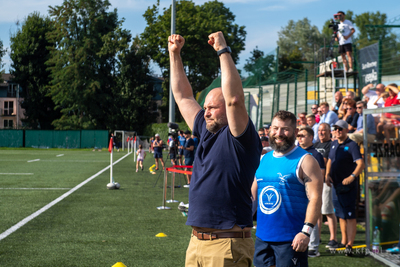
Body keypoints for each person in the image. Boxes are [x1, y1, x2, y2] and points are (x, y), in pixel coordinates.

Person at [169, 32, 262, 266]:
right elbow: (182, 96)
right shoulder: (205, 128)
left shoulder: (240, 137)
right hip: (196, 243)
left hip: (226, 244)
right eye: (205, 107)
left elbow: (234, 100)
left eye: (213, 107)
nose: (206, 112)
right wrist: (175, 55)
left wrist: (223, 51)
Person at [252, 110, 323, 266]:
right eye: (275, 128)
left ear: (295, 132)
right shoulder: (264, 159)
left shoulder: (306, 160)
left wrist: (306, 231)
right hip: (262, 238)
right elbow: (253, 194)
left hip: (292, 240)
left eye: (285, 129)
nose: (279, 133)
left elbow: (316, 198)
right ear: (269, 130)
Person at [326, 120, 364, 255]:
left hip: (348, 186)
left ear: (346, 130)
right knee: (340, 214)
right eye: (335, 128)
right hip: (335, 184)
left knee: (350, 215)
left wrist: (352, 176)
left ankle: (350, 244)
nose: (337, 131)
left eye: (340, 129)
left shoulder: (352, 145)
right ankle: (343, 240)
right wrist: (327, 174)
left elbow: (360, 164)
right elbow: (330, 160)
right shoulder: (334, 143)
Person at [297, 126, 326, 257]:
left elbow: (321, 174)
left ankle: (313, 246)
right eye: (298, 136)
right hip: (297, 192)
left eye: (302, 136)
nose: (299, 138)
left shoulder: (315, 154)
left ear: (310, 137)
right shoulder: (295, 152)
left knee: (311, 218)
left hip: (310, 193)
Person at [313, 123, 339, 249]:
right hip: (315, 181)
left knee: (328, 210)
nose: (321, 132)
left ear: (329, 132)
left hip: (326, 181)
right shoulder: (315, 145)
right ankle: (317, 236)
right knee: (316, 210)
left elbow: (326, 161)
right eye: (319, 130)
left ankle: (333, 238)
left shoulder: (332, 144)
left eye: (324, 130)